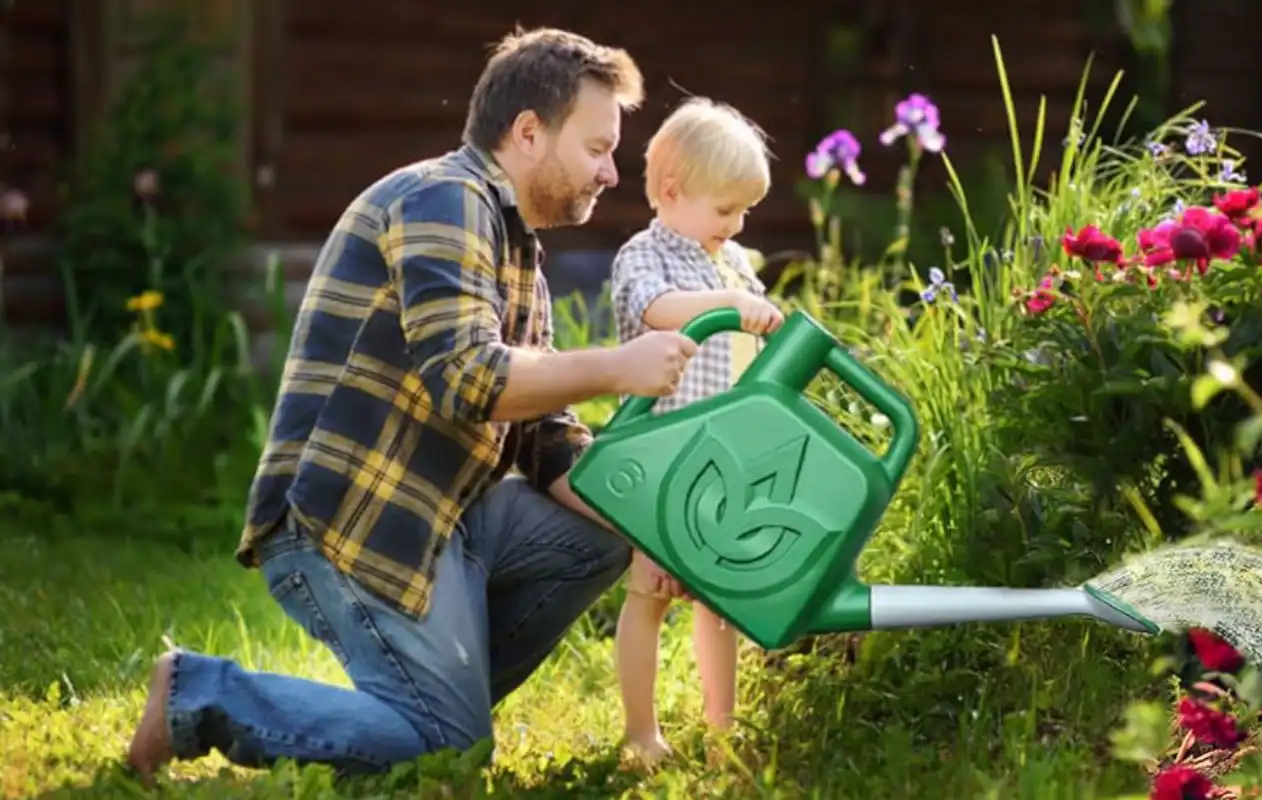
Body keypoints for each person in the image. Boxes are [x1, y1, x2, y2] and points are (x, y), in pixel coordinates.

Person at [125, 26, 701, 780]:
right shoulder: (442, 199)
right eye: (598, 148)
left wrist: (662, 536)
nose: (612, 172)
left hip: (443, 518)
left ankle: (420, 703)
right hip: (352, 521)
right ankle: (198, 693)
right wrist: (619, 369)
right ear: (529, 132)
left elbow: (545, 442)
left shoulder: (517, 250)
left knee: (601, 532)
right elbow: (467, 378)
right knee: (448, 752)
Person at [607, 97, 785, 763]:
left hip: (721, 460)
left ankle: (722, 727)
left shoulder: (733, 263)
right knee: (648, 592)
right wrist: (731, 305)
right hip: (661, 454)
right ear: (674, 192)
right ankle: (641, 732)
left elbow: (751, 346)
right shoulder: (643, 255)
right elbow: (656, 312)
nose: (735, 226)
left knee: (721, 598)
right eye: (725, 211)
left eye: (744, 213)